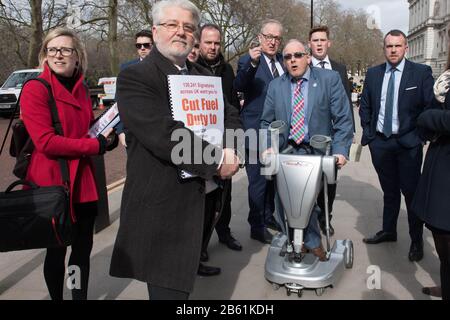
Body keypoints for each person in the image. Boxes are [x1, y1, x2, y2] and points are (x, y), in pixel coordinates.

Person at [109, 0, 241, 300]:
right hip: (163, 211)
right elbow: (165, 136)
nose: (180, 32)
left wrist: (233, 149)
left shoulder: (205, 76)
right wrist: (218, 159)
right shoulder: (136, 78)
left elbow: (230, 115)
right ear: (155, 31)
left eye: (188, 27)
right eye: (172, 25)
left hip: (204, 200)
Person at [20, 27, 116, 300]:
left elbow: (85, 128)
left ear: (77, 56)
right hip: (52, 182)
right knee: (56, 249)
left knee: (82, 248)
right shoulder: (35, 89)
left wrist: (104, 138)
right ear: (45, 55)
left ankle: (78, 297)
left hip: (83, 183)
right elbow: (46, 142)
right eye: (52, 50)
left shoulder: (83, 88)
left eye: (66, 50)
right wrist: (93, 145)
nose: (59, 55)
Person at [260, 39, 353, 260]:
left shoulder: (329, 80)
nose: (293, 61)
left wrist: (341, 150)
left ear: (308, 56)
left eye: (298, 55)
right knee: (282, 202)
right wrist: (267, 147)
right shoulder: (276, 85)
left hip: (317, 150)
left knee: (308, 200)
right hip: (287, 149)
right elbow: (266, 123)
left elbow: (343, 119)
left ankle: (310, 241)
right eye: (288, 57)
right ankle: (298, 242)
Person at [360, 29, 434, 262]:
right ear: (384, 48)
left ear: (406, 48)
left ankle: (416, 240)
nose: (393, 50)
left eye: (397, 46)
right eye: (389, 46)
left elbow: (429, 107)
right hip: (381, 143)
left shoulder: (421, 73)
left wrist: (419, 137)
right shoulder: (373, 74)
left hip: (408, 145)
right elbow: (365, 106)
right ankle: (389, 231)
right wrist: (370, 135)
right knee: (389, 192)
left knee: (411, 194)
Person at [234, 19, 285, 244]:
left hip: (279, 133)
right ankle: (256, 225)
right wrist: (252, 65)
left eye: (277, 38)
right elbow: (239, 86)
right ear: (260, 37)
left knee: (272, 179)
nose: (272, 42)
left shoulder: (284, 61)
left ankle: (268, 216)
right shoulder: (248, 60)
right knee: (258, 181)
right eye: (268, 37)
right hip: (255, 131)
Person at [196, 23, 242, 259]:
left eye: (217, 43)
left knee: (225, 194)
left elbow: (232, 106)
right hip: (199, 144)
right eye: (208, 42)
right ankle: (200, 245)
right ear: (199, 42)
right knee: (204, 198)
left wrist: (233, 146)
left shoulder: (226, 70)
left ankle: (224, 232)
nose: (213, 47)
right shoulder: (191, 67)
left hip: (224, 140)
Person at [412, 35, 450, 299]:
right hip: (440, 164)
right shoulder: (445, 77)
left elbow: (430, 118)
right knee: (440, 235)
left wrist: (429, 116)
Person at [308, 25, 354, 236]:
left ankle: (326, 218)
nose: (318, 44)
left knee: (330, 181)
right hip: (309, 138)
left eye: (322, 40)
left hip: (333, 137)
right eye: (315, 40)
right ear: (310, 44)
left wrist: (348, 135)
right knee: (309, 183)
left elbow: (345, 104)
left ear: (328, 43)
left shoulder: (339, 69)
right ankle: (308, 220)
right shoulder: (303, 65)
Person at [117, 30, 154, 148]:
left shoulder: (165, 66)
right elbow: (119, 101)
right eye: (139, 46)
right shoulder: (126, 68)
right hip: (133, 130)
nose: (142, 48)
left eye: (146, 45)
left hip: (157, 127)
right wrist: (120, 130)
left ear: (154, 45)